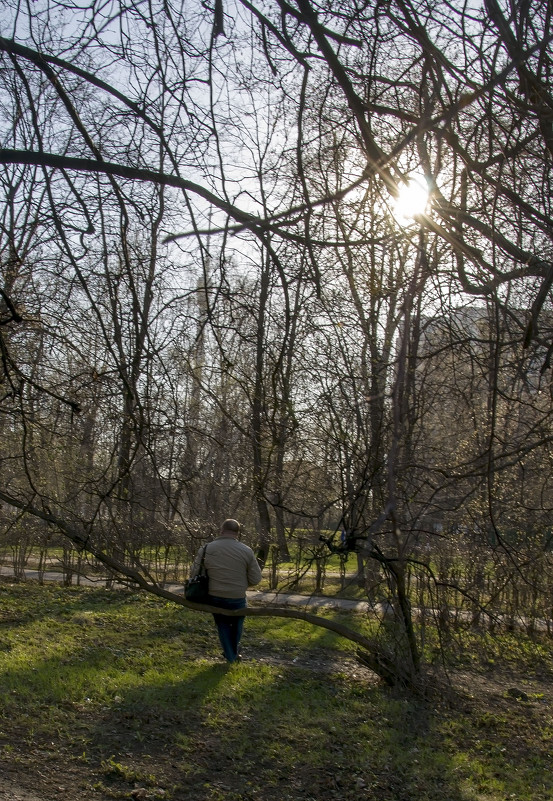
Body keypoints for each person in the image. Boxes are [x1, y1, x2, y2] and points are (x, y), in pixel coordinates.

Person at [190, 518, 262, 663]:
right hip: (237, 597)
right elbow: (256, 579)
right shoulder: (246, 551)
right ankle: (232, 655)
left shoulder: (206, 549)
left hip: (215, 595)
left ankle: (231, 655)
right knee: (237, 624)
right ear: (237, 533)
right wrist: (240, 583)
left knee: (222, 624)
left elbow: (194, 573)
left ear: (221, 530)